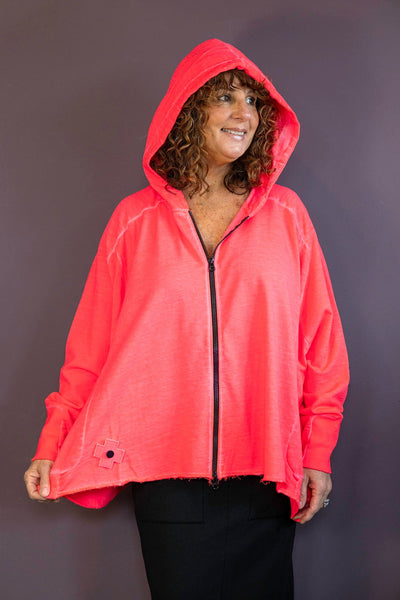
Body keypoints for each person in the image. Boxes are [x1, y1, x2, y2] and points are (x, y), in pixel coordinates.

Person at [24, 39, 349, 599]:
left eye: (253, 102)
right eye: (225, 97)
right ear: (187, 111)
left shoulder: (287, 215)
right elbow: (91, 350)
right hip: (167, 479)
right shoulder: (134, 220)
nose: (244, 113)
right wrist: (52, 442)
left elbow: (321, 344)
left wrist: (317, 450)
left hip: (266, 471)